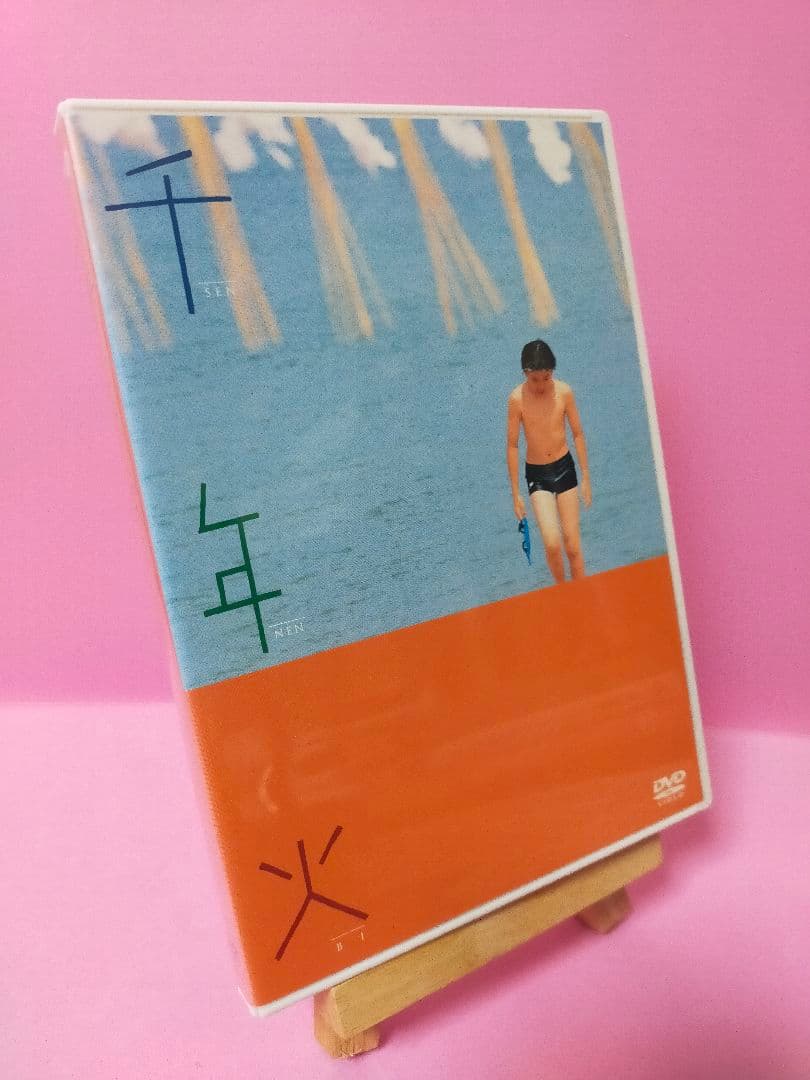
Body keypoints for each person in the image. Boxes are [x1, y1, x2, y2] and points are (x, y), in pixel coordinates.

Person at [506, 339, 591, 584]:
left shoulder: (564, 392)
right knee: (552, 544)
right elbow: (512, 446)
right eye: (535, 379)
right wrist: (515, 494)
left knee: (572, 546)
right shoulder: (516, 399)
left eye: (546, 378)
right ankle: (562, 592)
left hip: (564, 469)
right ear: (525, 373)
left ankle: (581, 595)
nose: (541, 385)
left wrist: (585, 477)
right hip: (537, 475)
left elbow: (578, 433)